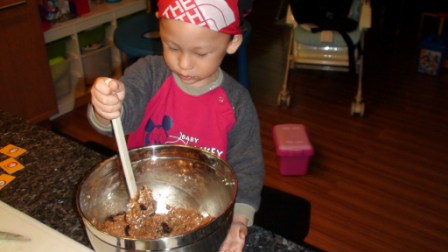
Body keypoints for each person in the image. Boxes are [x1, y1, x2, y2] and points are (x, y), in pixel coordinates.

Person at [87, 0, 264, 251]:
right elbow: (120, 118)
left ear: (232, 42)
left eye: (200, 53)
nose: (184, 64)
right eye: (172, 47)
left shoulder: (236, 103)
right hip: (136, 195)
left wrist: (239, 219)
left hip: (202, 210)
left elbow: (247, 166)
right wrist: (106, 109)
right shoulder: (149, 74)